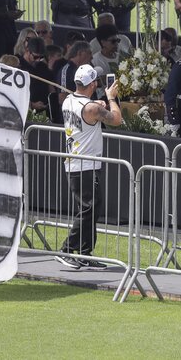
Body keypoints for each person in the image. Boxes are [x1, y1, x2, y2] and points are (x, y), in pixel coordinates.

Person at [54, 64, 123, 269]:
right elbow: (116, 119)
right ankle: (67, 249)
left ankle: (85, 252)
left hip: (77, 161)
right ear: (92, 84)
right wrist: (110, 98)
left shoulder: (68, 100)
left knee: (90, 208)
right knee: (89, 209)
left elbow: (88, 109)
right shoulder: (92, 108)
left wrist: (97, 103)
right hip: (84, 164)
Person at [19, 37, 55, 114]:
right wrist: (32, 104)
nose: (38, 60)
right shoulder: (19, 66)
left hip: (44, 112)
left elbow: (51, 87)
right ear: (27, 50)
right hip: (26, 112)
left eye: (41, 57)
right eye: (35, 57)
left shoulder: (42, 66)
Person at [91, 24, 124, 98]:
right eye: (113, 41)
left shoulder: (122, 57)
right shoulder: (94, 60)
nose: (116, 44)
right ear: (103, 42)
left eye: (118, 41)